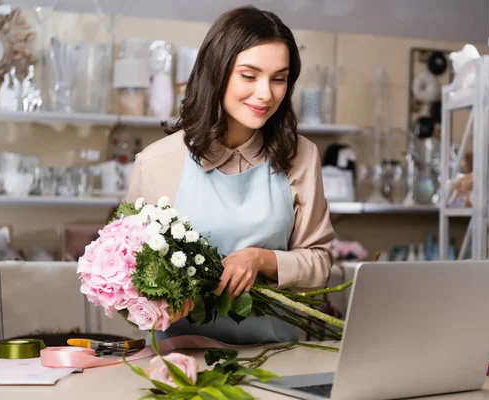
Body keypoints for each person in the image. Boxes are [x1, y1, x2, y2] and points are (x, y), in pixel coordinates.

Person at [125, 5, 336, 344]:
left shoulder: (302, 156)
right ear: (217, 73)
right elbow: (130, 275)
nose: (266, 94)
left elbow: (320, 264)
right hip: (182, 364)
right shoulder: (157, 163)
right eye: (249, 76)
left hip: (279, 356)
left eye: (278, 79)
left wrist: (261, 259)